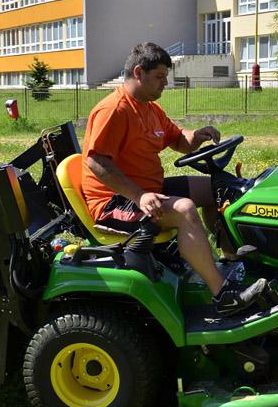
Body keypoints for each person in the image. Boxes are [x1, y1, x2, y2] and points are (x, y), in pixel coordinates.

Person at [81, 42, 266, 317]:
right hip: (113, 202)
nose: (165, 84)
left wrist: (197, 135)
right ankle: (222, 295)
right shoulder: (114, 110)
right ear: (138, 72)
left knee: (219, 187)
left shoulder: (150, 108)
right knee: (185, 210)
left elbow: (178, 140)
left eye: (165, 77)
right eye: (159, 77)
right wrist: (139, 197)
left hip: (146, 191)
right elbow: (95, 161)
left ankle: (231, 262)